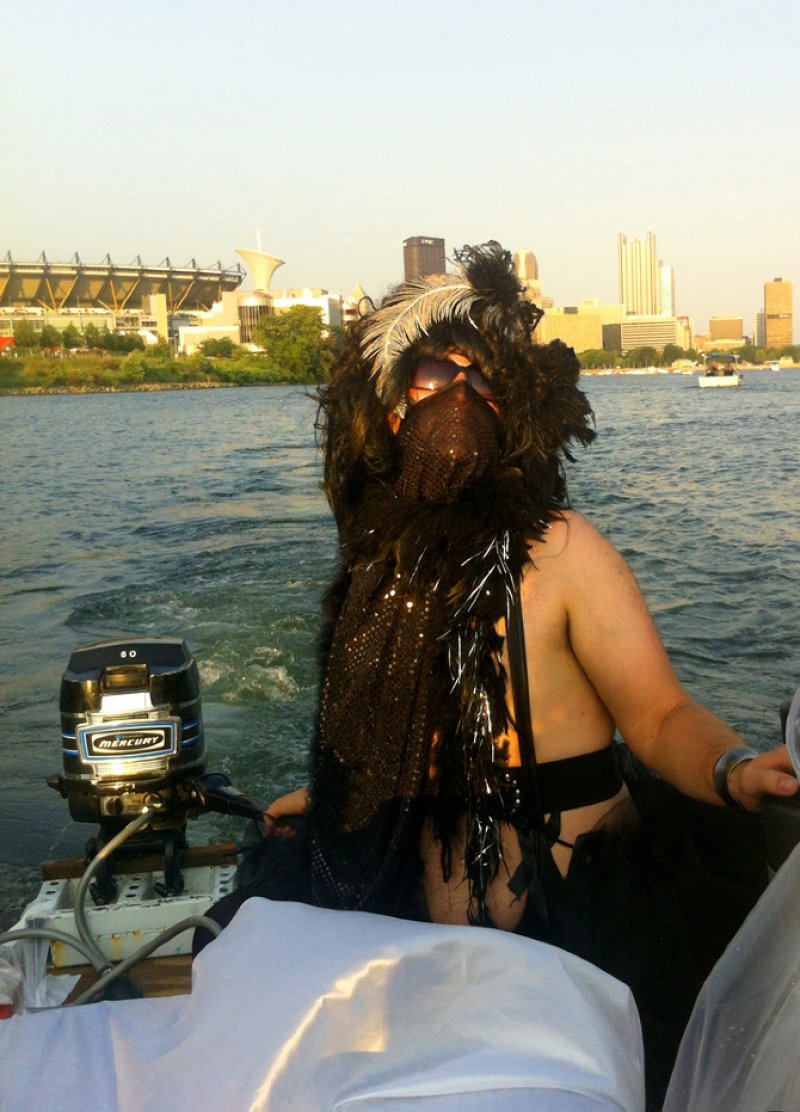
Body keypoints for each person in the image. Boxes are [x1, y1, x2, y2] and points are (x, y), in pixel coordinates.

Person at [246, 243, 797, 1104]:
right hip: (418, 929)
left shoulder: (564, 551)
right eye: (438, 369)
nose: (462, 390)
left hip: (583, 922)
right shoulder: (379, 569)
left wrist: (732, 770)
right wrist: (332, 796)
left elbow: (656, 719)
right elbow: (390, 735)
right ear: (393, 406)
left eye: (486, 377)